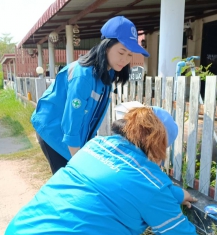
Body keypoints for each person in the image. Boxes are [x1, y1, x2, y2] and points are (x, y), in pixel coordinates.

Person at [3, 106, 207, 235]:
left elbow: (120, 181)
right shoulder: (151, 184)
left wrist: (175, 194)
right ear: (159, 144)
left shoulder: (96, 146)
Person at [31, 16, 150, 174]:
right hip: (53, 129)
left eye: (130, 55)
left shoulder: (108, 73)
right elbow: (72, 120)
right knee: (71, 180)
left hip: (71, 131)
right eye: (121, 52)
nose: (125, 59)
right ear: (106, 46)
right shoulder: (83, 75)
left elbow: (91, 116)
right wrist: (78, 162)